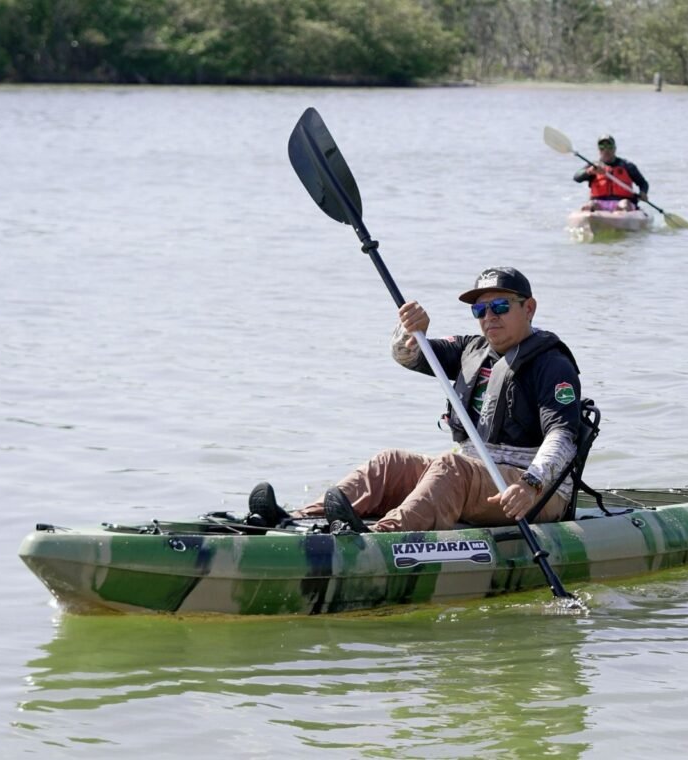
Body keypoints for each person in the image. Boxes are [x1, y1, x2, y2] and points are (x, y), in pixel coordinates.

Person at [247, 266, 582, 534]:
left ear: (529, 308)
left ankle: (383, 535)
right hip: (477, 472)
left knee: (452, 466)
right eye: (479, 310)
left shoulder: (552, 364)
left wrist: (531, 483)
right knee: (390, 461)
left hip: (535, 490)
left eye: (499, 306)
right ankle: (300, 520)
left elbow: (563, 437)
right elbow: (406, 354)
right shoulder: (470, 349)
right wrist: (410, 329)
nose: (488, 317)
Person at [573, 134, 649, 212]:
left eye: (609, 146)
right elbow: (576, 177)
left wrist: (643, 193)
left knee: (624, 204)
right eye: (602, 147)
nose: (606, 150)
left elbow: (643, 183)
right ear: (599, 150)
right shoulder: (593, 166)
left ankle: (621, 219)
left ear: (614, 148)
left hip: (622, 202)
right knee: (590, 206)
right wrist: (589, 171)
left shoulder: (627, 165)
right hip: (599, 203)